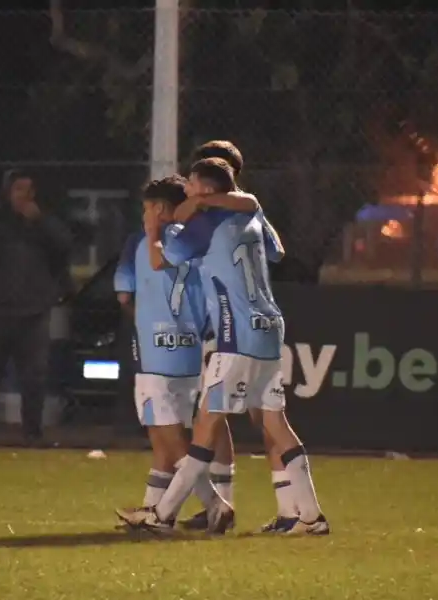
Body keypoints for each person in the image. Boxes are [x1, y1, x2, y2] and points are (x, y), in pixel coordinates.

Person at [116, 158, 328, 535]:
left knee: (204, 427)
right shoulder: (251, 212)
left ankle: (162, 515)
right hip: (268, 326)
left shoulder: (204, 226)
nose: (190, 194)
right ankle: (311, 515)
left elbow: (162, 258)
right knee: (277, 424)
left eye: (194, 187)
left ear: (208, 191)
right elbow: (271, 243)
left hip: (235, 336)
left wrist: (153, 231)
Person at [114, 175, 272, 525]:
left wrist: (145, 319)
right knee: (163, 441)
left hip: (155, 354)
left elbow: (124, 293)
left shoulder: (142, 242)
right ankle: (153, 510)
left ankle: (214, 505)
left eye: (146, 208)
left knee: (171, 440)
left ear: (157, 209)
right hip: (190, 351)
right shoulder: (199, 242)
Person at [173, 140, 299, 534]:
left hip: (234, 321)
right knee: (218, 416)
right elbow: (276, 250)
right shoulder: (241, 210)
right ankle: (222, 504)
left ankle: (288, 509)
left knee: (250, 418)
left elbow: (275, 252)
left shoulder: (233, 211)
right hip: (222, 319)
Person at [0, 168, 72, 442]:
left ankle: (32, 432)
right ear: (7, 192)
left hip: (33, 312)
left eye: (29, 190)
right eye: (19, 189)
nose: (25, 196)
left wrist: (41, 222)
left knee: (34, 377)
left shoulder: (43, 224)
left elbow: (64, 247)